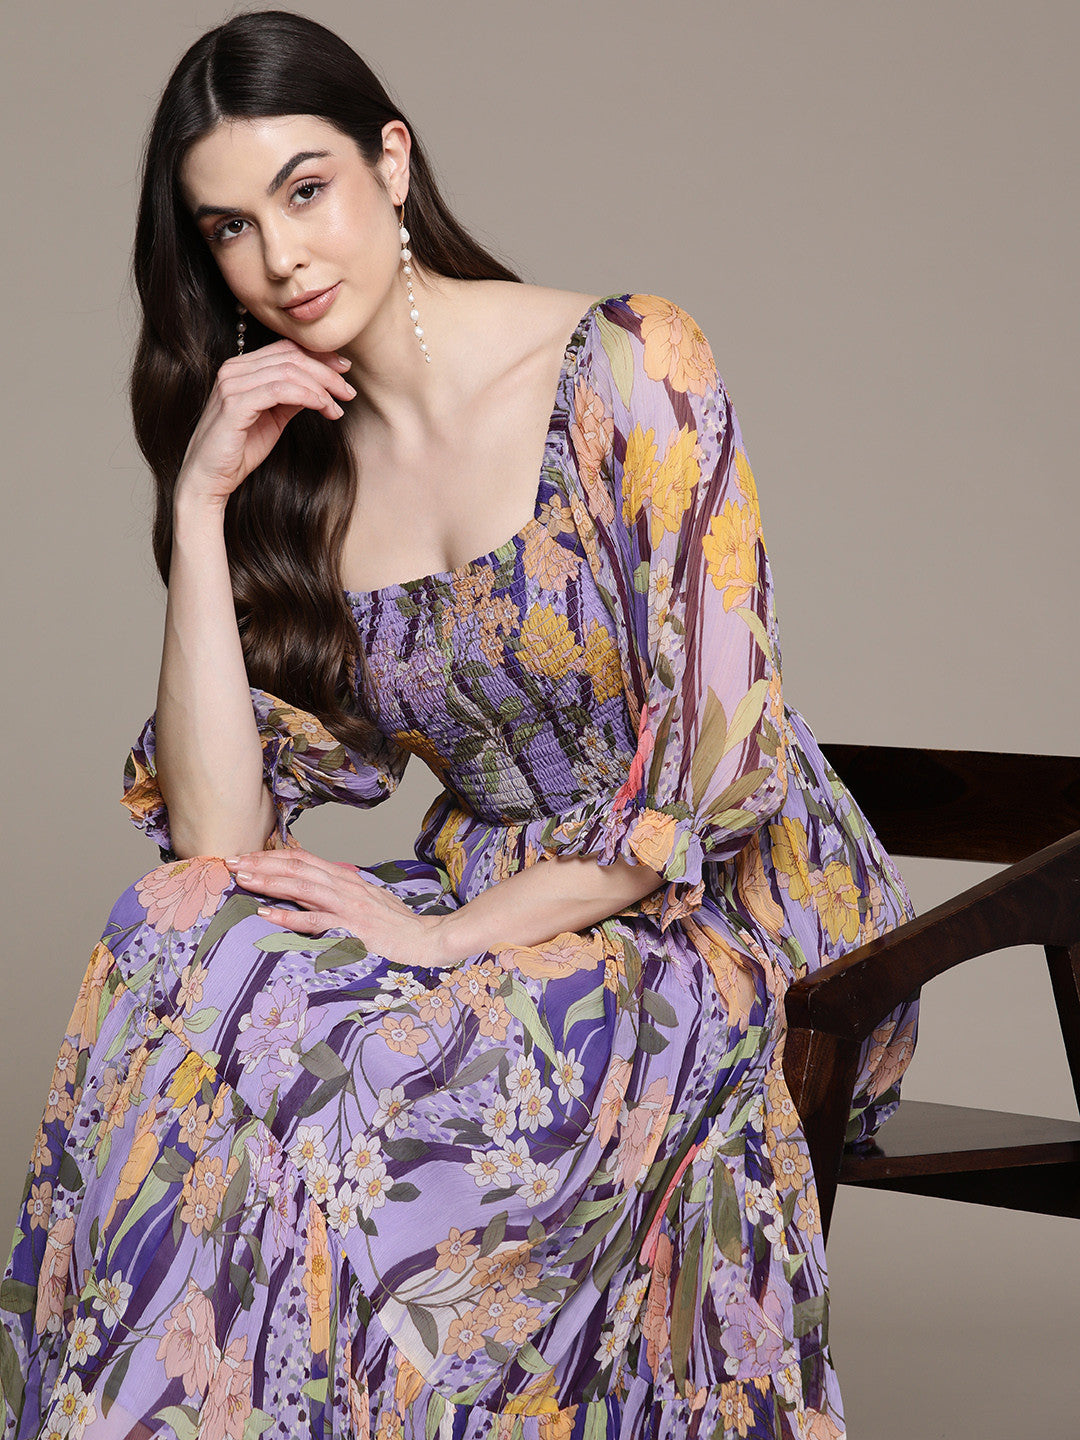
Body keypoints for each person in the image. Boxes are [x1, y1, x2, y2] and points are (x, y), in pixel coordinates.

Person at [0, 10, 921, 1440]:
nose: (282, 256)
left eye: (306, 190)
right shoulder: (298, 475)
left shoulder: (628, 364)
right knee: (173, 939)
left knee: (338, 1091)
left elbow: (712, 779)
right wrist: (198, 511)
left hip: (722, 913)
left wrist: (438, 942)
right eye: (232, 227)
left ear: (391, 160)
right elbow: (217, 841)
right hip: (496, 901)